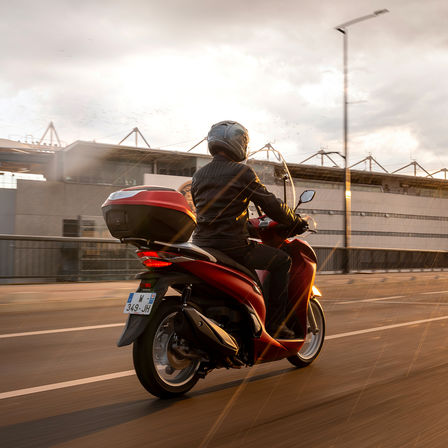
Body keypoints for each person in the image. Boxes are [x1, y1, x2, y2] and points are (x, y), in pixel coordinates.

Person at [191, 120, 308, 338]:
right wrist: (294, 220)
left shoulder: (199, 175)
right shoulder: (241, 172)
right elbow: (270, 204)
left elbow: (211, 213)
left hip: (202, 244)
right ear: (238, 143)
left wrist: (247, 227)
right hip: (232, 246)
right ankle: (276, 324)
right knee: (283, 261)